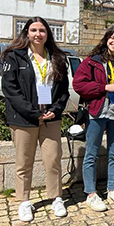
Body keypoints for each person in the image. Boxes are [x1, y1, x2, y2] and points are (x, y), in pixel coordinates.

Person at [1, 17, 69, 222]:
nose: (38, 34)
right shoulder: (15, 57)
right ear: (27, 33)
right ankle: (24, 202)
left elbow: (63, 90)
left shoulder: (56, 57)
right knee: (23, 163)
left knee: (53, 160)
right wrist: (33, 112)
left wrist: (55, 110)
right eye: (33, 30)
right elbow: (10, 90)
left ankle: (56, 197)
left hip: (50, 118)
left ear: (48, 34)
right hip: (24, 119)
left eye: (42, 30)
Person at [74, 26, 114, 211]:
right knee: (91, 154)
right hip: (97, 112)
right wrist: (104, 88)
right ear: (106, 39)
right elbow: (78, 84)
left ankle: (112, 188)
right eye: (112, 38)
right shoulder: (92, 62)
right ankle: (91, 193)